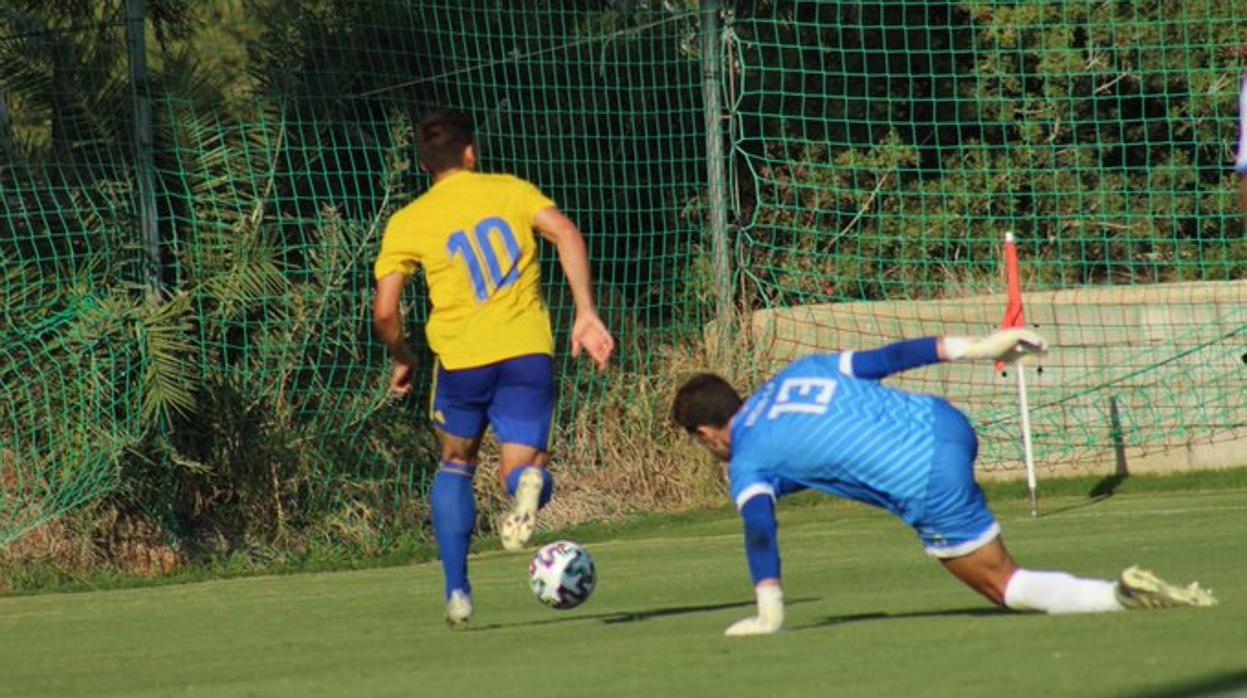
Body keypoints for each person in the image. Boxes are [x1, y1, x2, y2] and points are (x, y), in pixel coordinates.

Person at [671, 329, 1216, 636]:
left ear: (705, 432)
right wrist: (982, 348)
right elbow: (891, 357)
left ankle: (1118, 597)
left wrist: (770, 609)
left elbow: (760, 530)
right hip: (945, 422)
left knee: (1003, 585)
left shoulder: (746, 464)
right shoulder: (797, 371)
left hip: (925, 478)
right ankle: (1116, 595)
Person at [373, 109, 615, 628]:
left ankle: (458, 590)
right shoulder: (509, 190)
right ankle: (527, 485)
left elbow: (386, 311)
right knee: (522, 470)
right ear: (470, 153)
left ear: (423, 163)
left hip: (461, 363)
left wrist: (403, 356)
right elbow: (566, 232)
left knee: (456, 463)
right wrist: (586, 313)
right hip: (526, 352)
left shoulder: (410, 220)